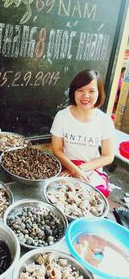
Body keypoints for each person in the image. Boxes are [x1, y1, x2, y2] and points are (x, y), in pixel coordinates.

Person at [50, 69, 115, 197]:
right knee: (58, 193)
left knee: (92, 198)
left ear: (99, 93)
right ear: (73, 92)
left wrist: (80, 169)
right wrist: (73, 168)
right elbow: (56, 150)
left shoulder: (105, 121)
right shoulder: (62, 116)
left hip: (91, 170)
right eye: (80, 90)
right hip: (66, 166)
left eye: (91, 91)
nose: (85, 96)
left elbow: (108, 156)